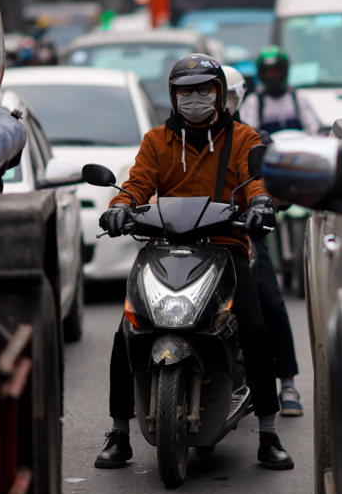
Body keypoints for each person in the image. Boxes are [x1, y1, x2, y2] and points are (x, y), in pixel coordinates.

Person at [94, 55, 294, 470]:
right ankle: (119, 431)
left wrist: (259, 202)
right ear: (173, 96)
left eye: (204, 89)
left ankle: (269, 432)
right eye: (186, 91)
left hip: (225, 247)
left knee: (256, 329)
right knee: (128, 331)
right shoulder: (156, 141)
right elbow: (136, 183)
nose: (195, 98)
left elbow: (255, 178)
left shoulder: (242, 138)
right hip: (163, 247)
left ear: (220, 94)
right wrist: (120, 207)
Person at [222, 66, 304, 416]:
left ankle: (286, 381)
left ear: (238, 97)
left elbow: (270, 186)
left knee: (268, 298)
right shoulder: (176, 139)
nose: (205, 103)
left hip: (244, 235)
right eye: (191, 94)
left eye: (219, 95)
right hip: (194, 238)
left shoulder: (253, 140)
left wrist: (265, 205)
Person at [240, 46, 321, 135]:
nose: (273, 77)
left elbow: (315, 129)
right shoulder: (254, 102)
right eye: (268, 73)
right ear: (261, 74)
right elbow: (249, 136)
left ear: (284, 71)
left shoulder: (297, 98)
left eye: (276, 71)